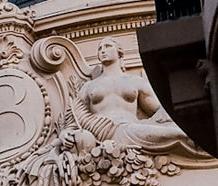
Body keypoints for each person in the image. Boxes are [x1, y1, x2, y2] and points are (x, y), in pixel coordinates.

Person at [74, 38, 204, 157]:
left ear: (119, 52)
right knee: (177, 135)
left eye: (107, 46)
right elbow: (74, 117)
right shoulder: (89, 86)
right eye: (100, 48)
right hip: (101, 132)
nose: (102, 51)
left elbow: (160, 110)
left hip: (130, 129)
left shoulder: (136, 81)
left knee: (178, 133)